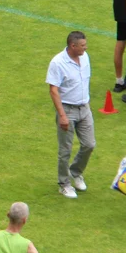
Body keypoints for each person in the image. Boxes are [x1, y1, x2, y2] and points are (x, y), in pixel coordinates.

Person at [46, 31, 95, 199]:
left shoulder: (85, 57)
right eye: (82, 45)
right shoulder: (58, 63)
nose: (86, 47)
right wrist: (62, 116)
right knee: (65, 150)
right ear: (73, 46)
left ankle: (75, 172)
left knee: (89, 144)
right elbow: (53, 90)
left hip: (84, 107)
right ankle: (64, 184)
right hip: (67, 109)